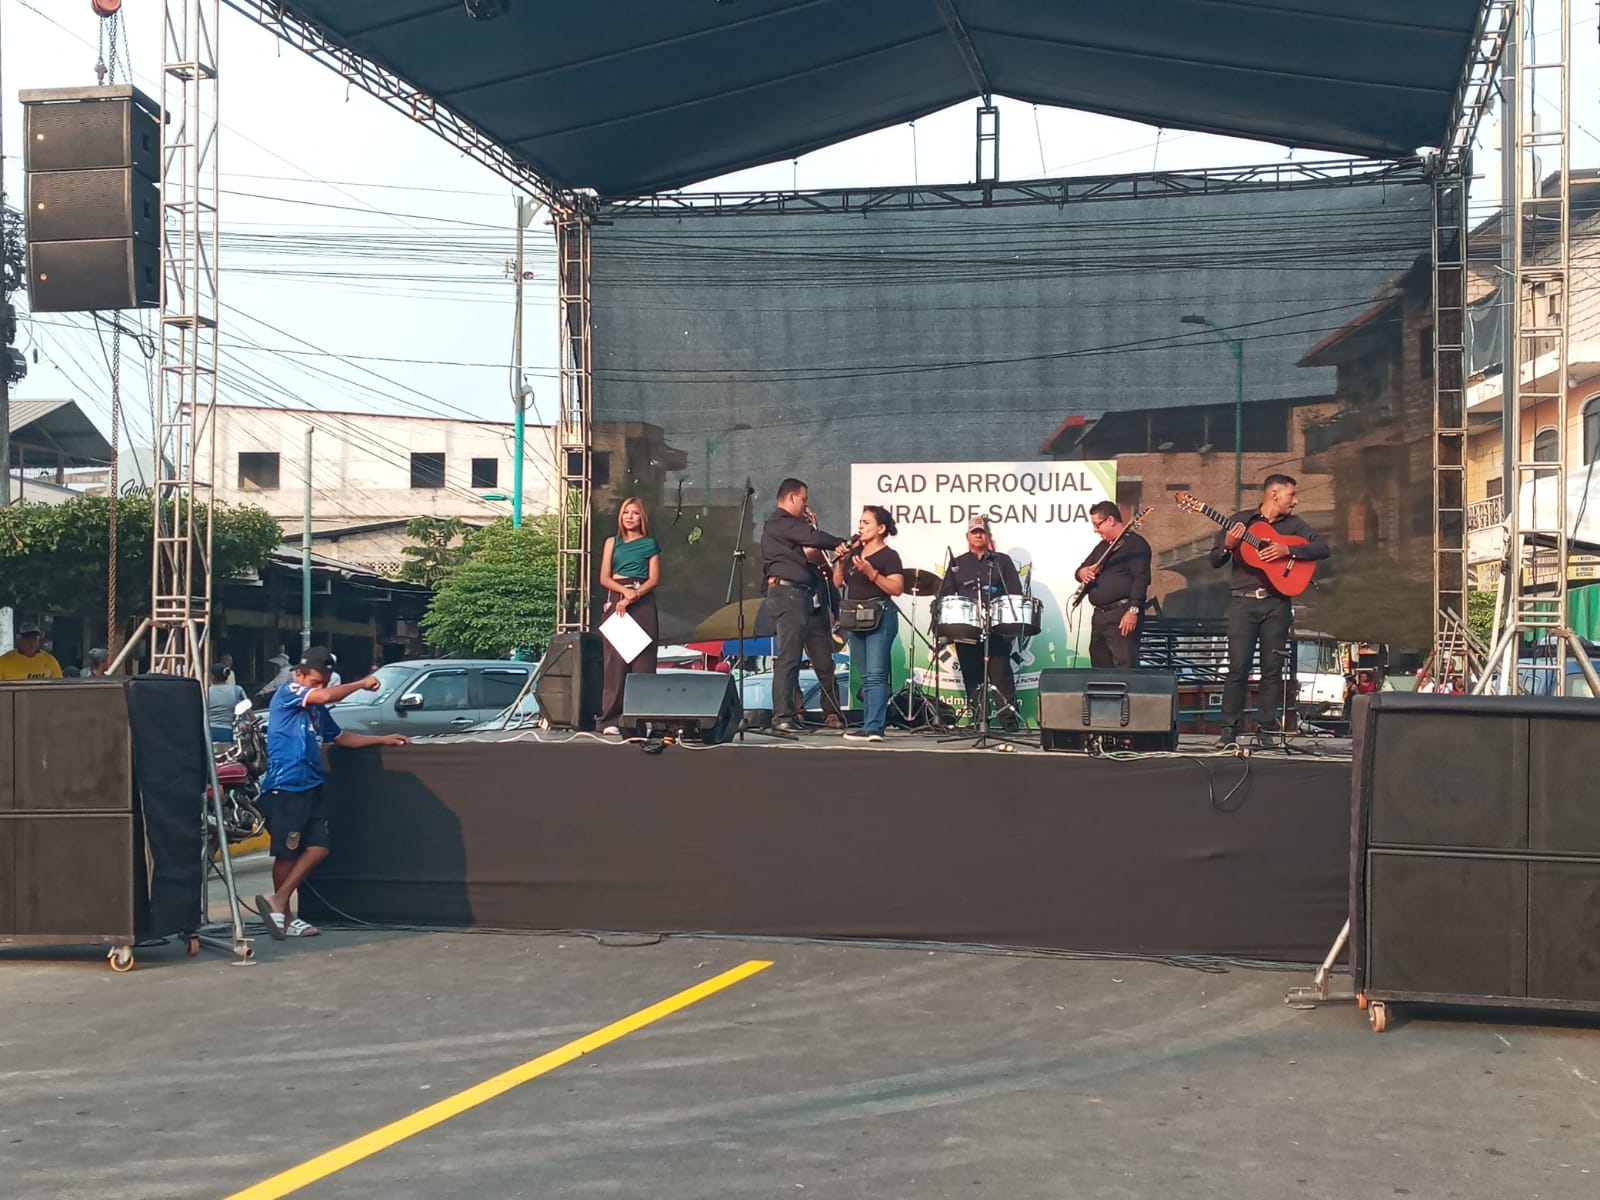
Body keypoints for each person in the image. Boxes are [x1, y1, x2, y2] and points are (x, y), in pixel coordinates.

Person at [255, 647, 408, 939]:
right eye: (315, 682)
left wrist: (381, 739)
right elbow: (324, 696)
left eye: (324, 682)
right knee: (287, 853)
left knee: (319, 848)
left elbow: (340, 737)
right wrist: (361, 683)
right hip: (286, 785)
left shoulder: (317, 710)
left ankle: (279, 901)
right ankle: (284, 916)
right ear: (299, 675)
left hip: (311, 785)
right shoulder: (288, 692)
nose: (320, 687)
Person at [1209, 474, 1331, 747]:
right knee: (1237, 667)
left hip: (1276, 603)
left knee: (1272, 669)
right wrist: (1228, 545)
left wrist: (1287, 550)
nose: (1295, 501)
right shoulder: (1241, 521)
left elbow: (1323, 548)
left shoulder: (1294, 525)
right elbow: (1215, 559)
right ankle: (1229, 729)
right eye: (1291, 495)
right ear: (1274, 494)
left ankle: (1266, 728)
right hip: (1242, 603)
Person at [760, 477, 851, 735]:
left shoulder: (794, 528)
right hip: (788, 595)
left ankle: (828, 711)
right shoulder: (780, 521)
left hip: (807, 599)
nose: (805, 504)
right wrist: (837, 541)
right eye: (803, 498)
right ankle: (782, 716)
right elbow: (809, 536)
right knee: (789, 658)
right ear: (791, 497)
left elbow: (813, 550)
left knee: (823, 660)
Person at [938, 516, 1024, 730]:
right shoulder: (957, 564)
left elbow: (1015, 594)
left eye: (982, 532)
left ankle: (1009, 722)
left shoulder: (1002, 561)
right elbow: (946, 595)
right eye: (974, 532)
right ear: (967, 536)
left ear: (988, 536)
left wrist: (1010, 629)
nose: (978, 535)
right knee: (972, 675)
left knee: (1001, 674)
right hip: (966, 629)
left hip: (996, 629)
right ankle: (979, 720)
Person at [831, 505, 905, 743]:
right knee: (865, 676)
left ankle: (874, 727)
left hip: (879, 616)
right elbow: (838, 582)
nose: (860, 527)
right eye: (860, 522)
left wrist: (871, 573)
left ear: (881, 528)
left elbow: (897, 588)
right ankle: (868, 725)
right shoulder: (855, 552)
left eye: (866, 523)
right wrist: (841, 561)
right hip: (855, 618)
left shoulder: (889, 556)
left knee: (875, 675)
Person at [597, 497, 662, 735]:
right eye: (626, 512)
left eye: (634, 513)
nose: (629, 517)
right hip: (618, 595)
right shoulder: (612, 542)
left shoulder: (650, 543)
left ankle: (644, 720)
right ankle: (611, 720)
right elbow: (604, 577)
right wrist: (624, 593)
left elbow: (654, 579)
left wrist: (635, 595)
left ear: (641, 517)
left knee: (643, 662)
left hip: (642, 601)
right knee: (615, 662)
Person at [1073, 501, 1152, 669]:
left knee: (1124, 665)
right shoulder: (1102, 547)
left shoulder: (1136, 544)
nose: (1095, 530)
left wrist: (1133, 610)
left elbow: (1141, 579)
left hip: (1121, 614)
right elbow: (1079, 571)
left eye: (1097, 524)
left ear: (1110, 520)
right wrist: (1083, 572)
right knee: (1100, 666)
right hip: (1100, 617)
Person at [206, 662, 248, 742]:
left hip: (208, 731)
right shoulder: (237, 690)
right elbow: (248, 710)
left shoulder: (206, 691)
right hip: (227, 731)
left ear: (213, 676)